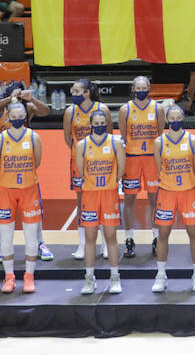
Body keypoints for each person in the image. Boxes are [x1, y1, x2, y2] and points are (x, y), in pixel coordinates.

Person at [0, 101, 44, 293]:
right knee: (6, 237)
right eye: (14, 117)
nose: (18, 120)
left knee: (31, 236)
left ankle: (29, 276)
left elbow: (36, 162)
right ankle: (9, 277)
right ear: (8, 118)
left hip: (29, 189)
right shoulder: (0, 139)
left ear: (25, 118)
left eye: (21, 117)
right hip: (5, 191)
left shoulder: (34, 137)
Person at [151, 105, 195, 293]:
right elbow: (159, 169)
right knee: (163, 235)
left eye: (178, 117)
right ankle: (160, 275)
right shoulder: (159, 142)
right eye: (171, 119)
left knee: (194, 234)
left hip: (188, 191)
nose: (175, 121)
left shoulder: (193, 140)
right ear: (166, 120)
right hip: (166, 192)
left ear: (183, 118)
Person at [73, 107, 125, 296]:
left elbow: (121, 168)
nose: (100, 126)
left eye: (103, 124)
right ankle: (89, 279)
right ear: (90, 125)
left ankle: (114, 278)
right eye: (96, 124)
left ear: (107, 124)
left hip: (109, 194)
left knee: (111, 237)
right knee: (90, 238)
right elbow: (80, 171)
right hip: (90, 195)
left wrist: (113, 182)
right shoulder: (82, 145)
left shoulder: (116, 142)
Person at [63, 78, 108, 264]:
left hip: (101, 162)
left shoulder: (102, 109)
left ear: (87, 93)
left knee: (104, 200)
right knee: (82, 202)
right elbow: (68, 138)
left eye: (76, 91)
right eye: (72, 91)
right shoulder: (70, 112)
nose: (73, 95)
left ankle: (106, 243)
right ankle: (82, 243)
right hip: (79, 161)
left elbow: (109, 134)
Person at [116, 76, 162, 259]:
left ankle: (157, 238)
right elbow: (123, 136)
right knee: (129, 200)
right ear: (133, 88)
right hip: (132, 159)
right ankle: (129, 239)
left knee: (154, 200)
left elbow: (159, 135)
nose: (141, 90)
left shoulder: (157, 108)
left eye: (144, 87)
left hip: (151, 158)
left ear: (149, 88)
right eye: (138, 87)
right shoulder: (124, 109)